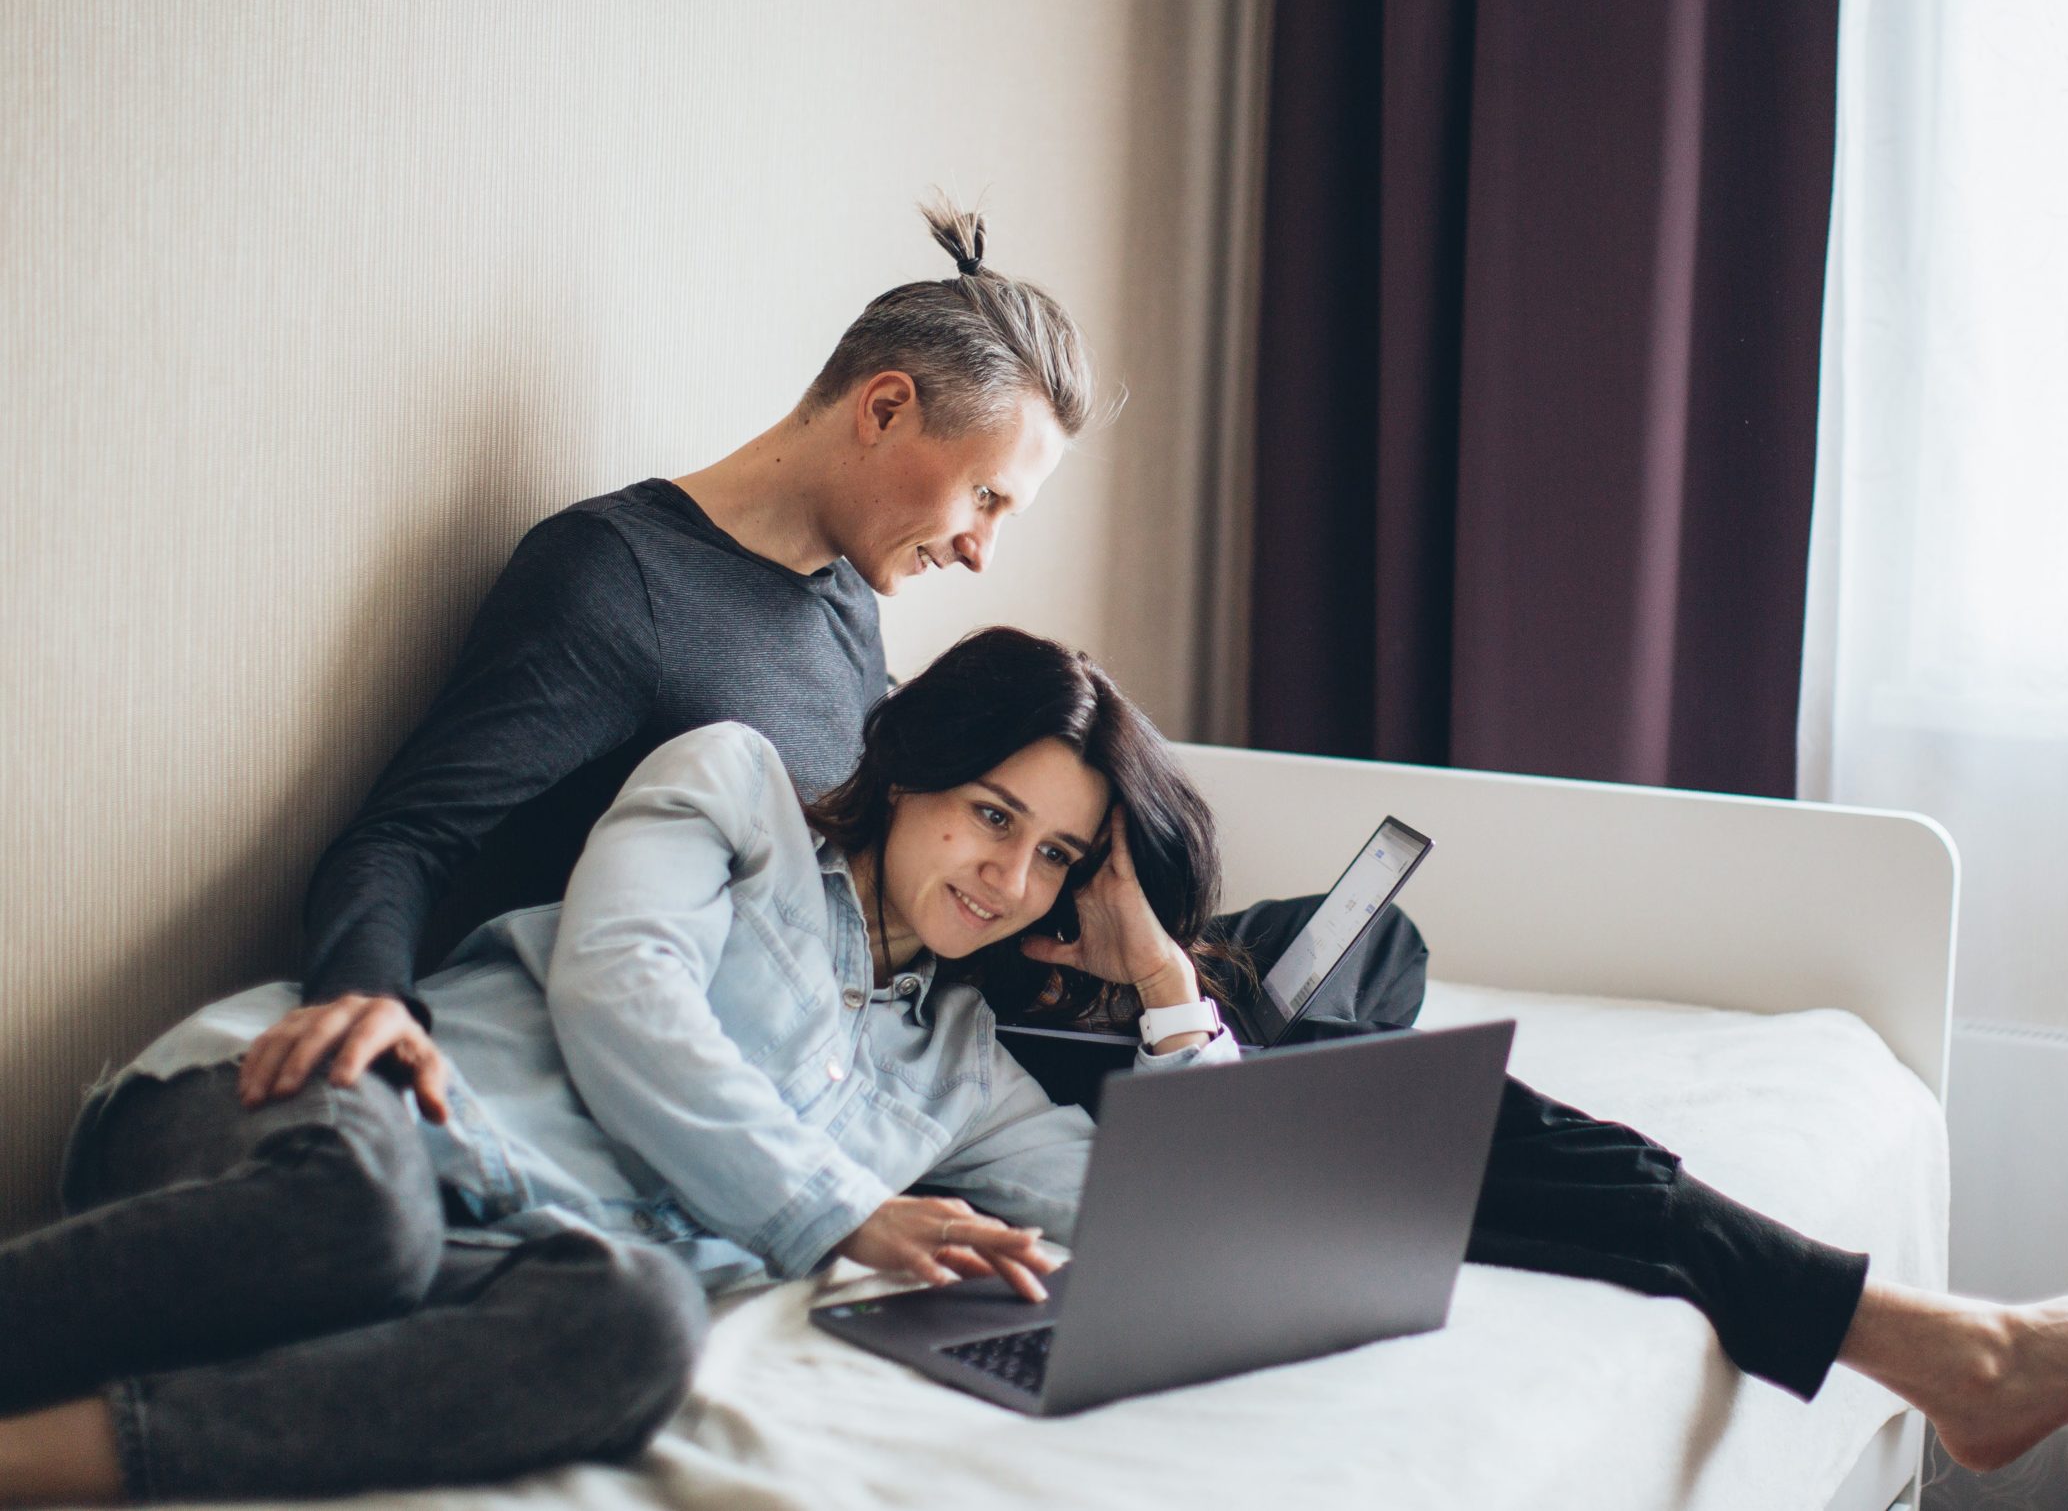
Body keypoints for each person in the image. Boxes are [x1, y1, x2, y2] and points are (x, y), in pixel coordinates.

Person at [192, 200, 2068, 1470]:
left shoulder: (830, 599)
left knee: (1339, 984)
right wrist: (365, 998)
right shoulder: (616, 583)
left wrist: (1114, 935)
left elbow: (900, 856)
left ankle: (1870, 1312)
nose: (981, 550)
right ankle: (1908, 1334)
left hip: (948, 996)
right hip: (892, 1036)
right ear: (883, 409)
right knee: (1424, 1113)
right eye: (981, 502)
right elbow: (409, 830)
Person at [0, 629, 1241, 1504]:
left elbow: (1177, 1228)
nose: (1008, 879)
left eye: (1057, 857)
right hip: (328, 1111)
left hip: (482, 1254)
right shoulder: (735, 785)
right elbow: (621, 991)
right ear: (915, 765)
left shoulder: (960, 1069)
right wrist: (841, 1212)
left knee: (639, 1322)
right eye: (992, 814)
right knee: (362, 1217)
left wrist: (1163, 985)